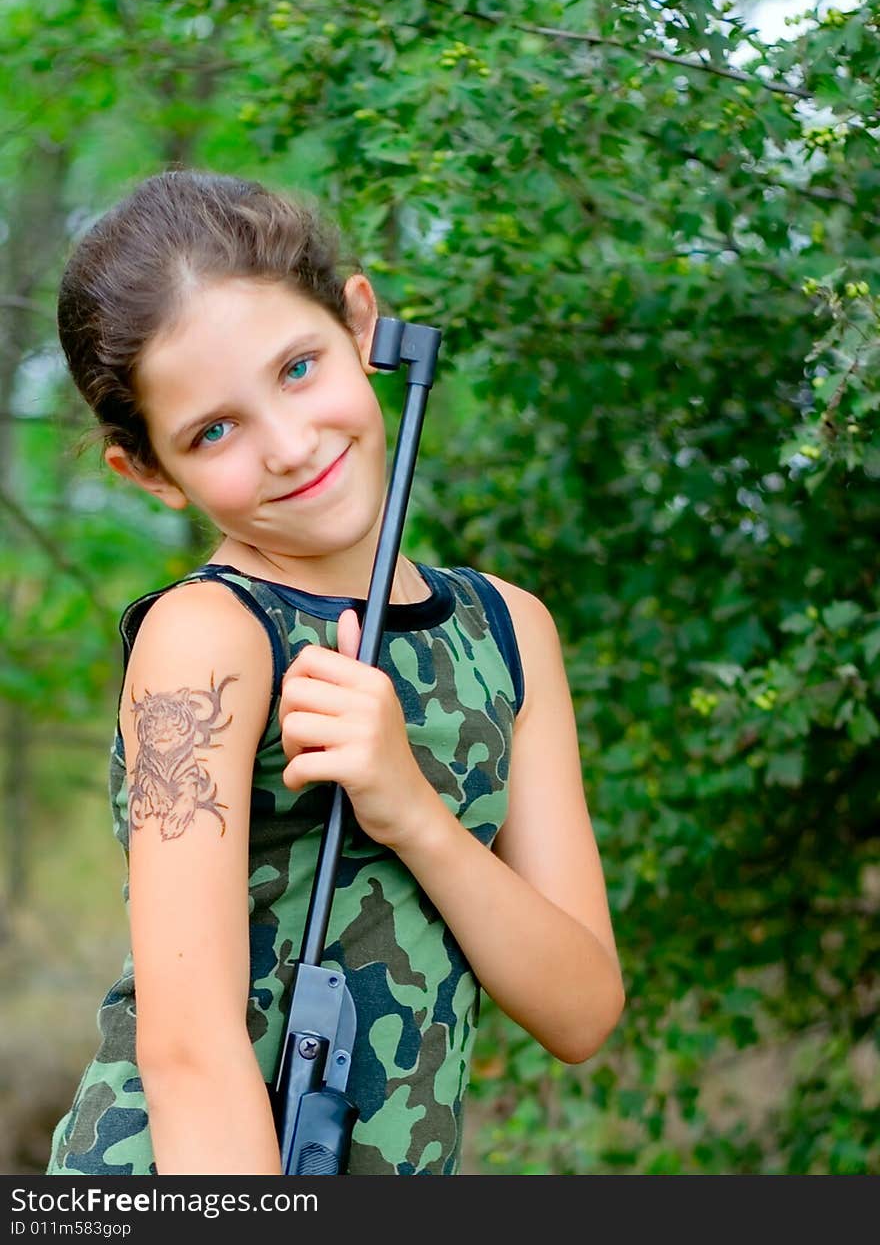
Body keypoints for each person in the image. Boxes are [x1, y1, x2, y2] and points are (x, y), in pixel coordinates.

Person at [46, 169, 624, 1176]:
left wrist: (410, 806)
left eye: (298, 367)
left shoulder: (508, 630)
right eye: (211, 431)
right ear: (148, 471)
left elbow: (580, 1007)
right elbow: (189, 1052)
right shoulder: (207, 638)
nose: (287, 444)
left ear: (360, 320)